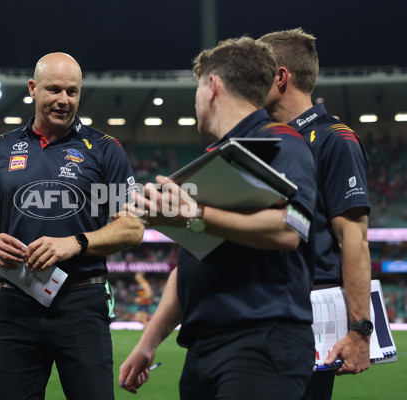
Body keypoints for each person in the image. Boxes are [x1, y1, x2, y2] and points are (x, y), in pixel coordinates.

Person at [118, 37, 317, 399]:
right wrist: (149, 342)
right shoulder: (215, 158)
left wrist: (195, 215)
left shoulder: (281, 142)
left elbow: (292, 227)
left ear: (213, 87)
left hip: (260, 343)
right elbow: (192, 263)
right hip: (204, 351)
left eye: (197, 87)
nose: (195, 99)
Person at [0, 52, 144, 400]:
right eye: (54, 90)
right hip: (16, 302)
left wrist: (76, 242)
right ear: (33, 89)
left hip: (81, 300)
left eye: (72, 92)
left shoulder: (105, 150)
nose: (64, 100)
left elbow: (132, 227)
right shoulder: (1, 149)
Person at [258, 28, 372, 399]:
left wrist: (359, 330)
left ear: (281, 76)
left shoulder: (334, 139)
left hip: (308, 319)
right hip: (258, 313)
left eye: (257, 71)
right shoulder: (264, 141)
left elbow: (353, 237)